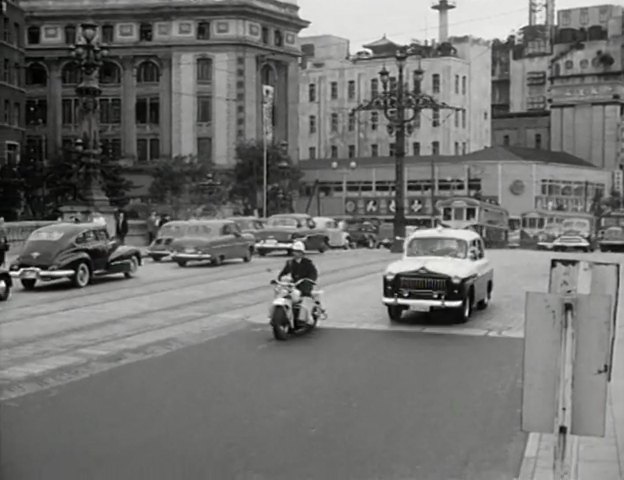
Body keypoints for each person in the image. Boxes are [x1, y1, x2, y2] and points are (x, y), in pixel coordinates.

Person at [277, 241, 318, 323]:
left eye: (298, 251)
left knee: (306, 296)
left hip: (304, 284)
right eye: (294, 251)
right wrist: (281, 279)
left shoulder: (307, 263)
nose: (295, 253)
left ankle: (308, 317)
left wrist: (310, 280)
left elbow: (313, 273)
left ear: (302, 253)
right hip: (293, 284)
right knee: (282, 293)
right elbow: (283, 273)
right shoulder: (290, 263)